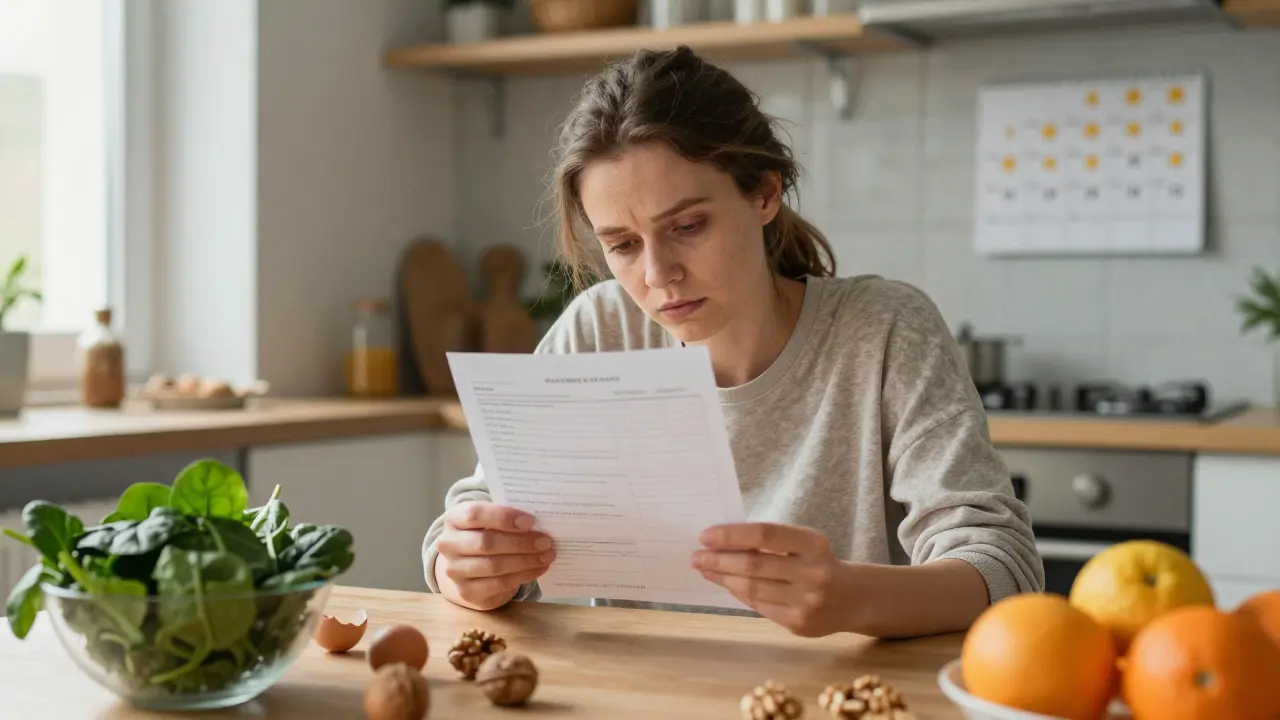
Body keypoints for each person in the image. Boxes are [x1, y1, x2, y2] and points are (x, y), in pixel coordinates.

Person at [421, 45, 1043, 639]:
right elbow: (473, 518)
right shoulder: (597, 331)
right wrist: (468, 569)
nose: (659, 275)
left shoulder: (883, 330)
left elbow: (1001, 566)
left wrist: (851, 596)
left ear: (765, 194)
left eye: (687, 226)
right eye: (623, 245)